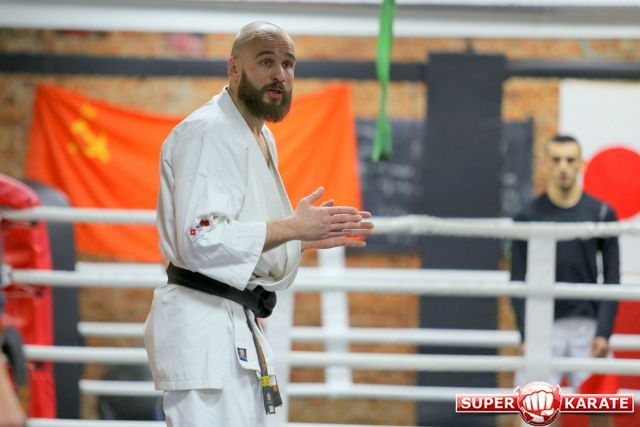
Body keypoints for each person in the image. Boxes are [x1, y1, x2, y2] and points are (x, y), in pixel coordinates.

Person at [143, 21, 374, 427]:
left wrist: (303, 238)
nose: (280, 74)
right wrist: (293, 229)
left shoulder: (260, 136)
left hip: (234, 322)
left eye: (288, 64)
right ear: (234, 68)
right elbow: (201, 239)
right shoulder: (209, 132)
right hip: (205, 329)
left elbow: (241, 231)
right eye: (266, 61)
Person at [511, 135, 619, 427]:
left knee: (601, 410)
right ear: (546, 164)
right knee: (536, 414)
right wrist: (525, 333)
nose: (563, 167)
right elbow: (516, 280)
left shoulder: (601, 213)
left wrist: (604, 332)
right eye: (556, 159)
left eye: (570, 160)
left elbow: (612, 276)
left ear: (580, 164)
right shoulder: (527, 216)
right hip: (542, 326)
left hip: (588, 325)